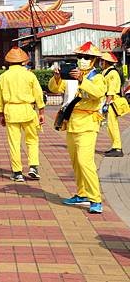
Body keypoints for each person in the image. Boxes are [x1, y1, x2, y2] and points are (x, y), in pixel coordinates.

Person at [48, 41, 106, 214]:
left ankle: (95, 199)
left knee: (85, 161)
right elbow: (54, 88)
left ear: (94, 60)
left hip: (88, 124)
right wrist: (57, 77)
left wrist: (82, 79)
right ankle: (82, 193)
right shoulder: (71, 76)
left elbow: (97, 93)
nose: (82, 59)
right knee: (75, 162)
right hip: (72, 123)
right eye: (79, 56)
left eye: (86, 57)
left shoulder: (97, 77)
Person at [0, 47, 45, 182]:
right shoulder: (29, 75)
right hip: (28, 110)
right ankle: (33, 166)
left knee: (14, 143)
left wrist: (0, 114)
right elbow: (38, 94)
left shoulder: (3, 77)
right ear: (23, 61)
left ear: (9, 62)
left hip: (11, 111)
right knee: (32, 140)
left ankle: (17, 172)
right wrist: (41, 111)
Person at [101, 52, 124, 157]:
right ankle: (115, 146)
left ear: (106, 62)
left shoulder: (112, 73)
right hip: (109, 101)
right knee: (110, 126)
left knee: (112, 125)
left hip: (111, 101)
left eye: (102, 61)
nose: (101, 63)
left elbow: (111, 90)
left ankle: (118, 148)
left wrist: (107, 103)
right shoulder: (107, 72)